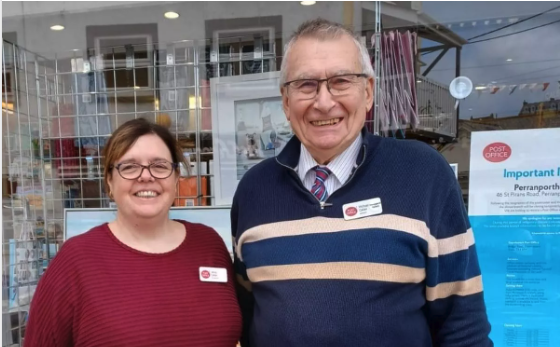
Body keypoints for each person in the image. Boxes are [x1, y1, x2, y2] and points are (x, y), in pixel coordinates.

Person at [231, 18, 493, 347]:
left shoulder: (423, 174)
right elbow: (246, 315)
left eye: (340, 81)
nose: (323, 102)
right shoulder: (254, 190)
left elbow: (462, 326)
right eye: (306, 85)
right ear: (285, 101)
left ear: (367, 92)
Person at [25, 118, 242, 346]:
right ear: (109, 181)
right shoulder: (75, 261)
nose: (146, 176)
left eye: (159, 166)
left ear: (176, 178)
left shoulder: (209, 244)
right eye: (129, 167)